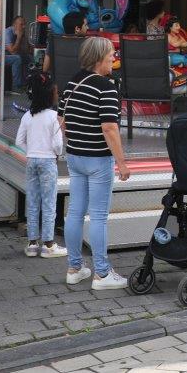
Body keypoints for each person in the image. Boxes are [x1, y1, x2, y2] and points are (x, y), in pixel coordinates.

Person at [60, 36, 131, 290]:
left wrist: (76, 139)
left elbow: (61, 120)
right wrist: (122, 163)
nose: (114, 57)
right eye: (111, 53)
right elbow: (109, 128)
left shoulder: (73, 82)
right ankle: (102, 273)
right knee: (99, 217)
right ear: (100, 57)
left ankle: (74, 268)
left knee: (75, 212)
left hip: (75, 156)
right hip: (98, 159)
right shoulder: (106, 87)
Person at [17, 78, 67, 258]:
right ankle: (48, 244)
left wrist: (31, 152)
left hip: (31, 161)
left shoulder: (27, 116)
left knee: (32, 201)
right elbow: (58, 144)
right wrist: (56, 154)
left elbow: (19, 141)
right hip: (48, 162)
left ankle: (32, 243)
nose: (57, 95)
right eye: (56, 92)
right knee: (49, 202)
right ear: (49, 96)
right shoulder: (54, 116)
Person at [5, 16, 33, 92]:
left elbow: (27, 50)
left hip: (10, 54)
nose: (24, 27)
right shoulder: (8, 32)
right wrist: (19, 38)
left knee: (29, 58)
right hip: (0, 56)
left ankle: (26, 84)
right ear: (14, 25)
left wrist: (25, 39)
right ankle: (17, 86)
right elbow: (13, 51)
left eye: (24, 24)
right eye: (21, 24)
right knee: (17, 59)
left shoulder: (20, 33)